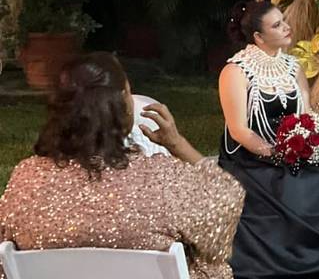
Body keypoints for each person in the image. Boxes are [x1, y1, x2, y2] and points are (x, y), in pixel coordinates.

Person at [0, 52, 243, 279]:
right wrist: (178, 144)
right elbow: (228, 198)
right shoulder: (163, 180)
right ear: (124, 107)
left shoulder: (27, 180)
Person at [218, 1, 319, 279]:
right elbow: (238, 130)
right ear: (258, 36)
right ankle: (291, 261)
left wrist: (310, 143)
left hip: (295, 150)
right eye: (277, 25)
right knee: (286, 186)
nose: (286, 27)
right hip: (250, 156)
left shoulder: (293, 66)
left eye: (284, 20)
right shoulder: (235, 71)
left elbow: (306, 113)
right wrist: (273, 153)